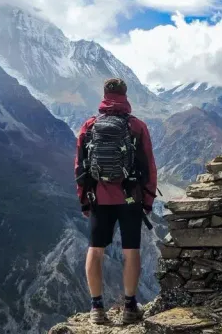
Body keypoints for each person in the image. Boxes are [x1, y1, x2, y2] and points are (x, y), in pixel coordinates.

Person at [74, 78, 157, 325]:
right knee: (131, 251)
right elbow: (149, 166)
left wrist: (84, 199)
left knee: (95, 249)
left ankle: (96, 308)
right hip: (130, 197)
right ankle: (130, 306)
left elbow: (80, 166)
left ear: (104, 95)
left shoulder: (89, 126)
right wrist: (148, 199)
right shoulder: (137, 126)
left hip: (98, 197)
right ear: (125, 95)